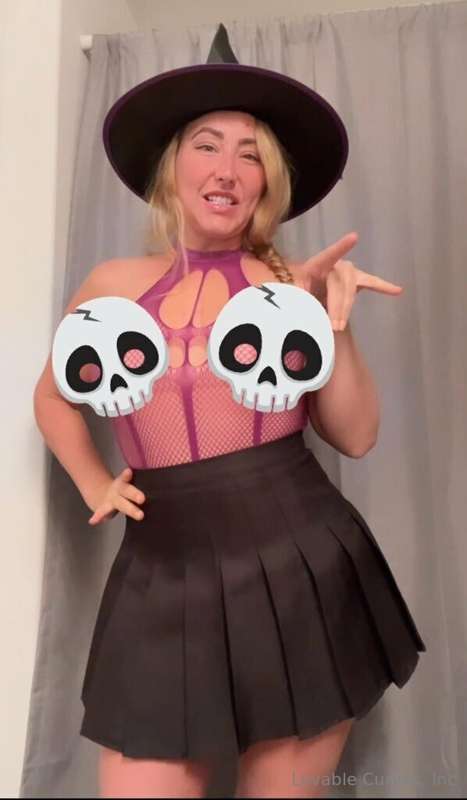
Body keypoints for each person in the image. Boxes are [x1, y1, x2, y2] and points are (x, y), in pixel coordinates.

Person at [33, 25, 426, 799]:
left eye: (250, 154)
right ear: (171, 169)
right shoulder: (111, 285)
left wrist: (330, 324)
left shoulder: (291, 289)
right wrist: (93, 483)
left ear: (267, 183)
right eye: (207, 145)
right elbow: (52, 397)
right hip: (161, 573)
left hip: (298, 563)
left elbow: (356, 436)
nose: (227, 168)